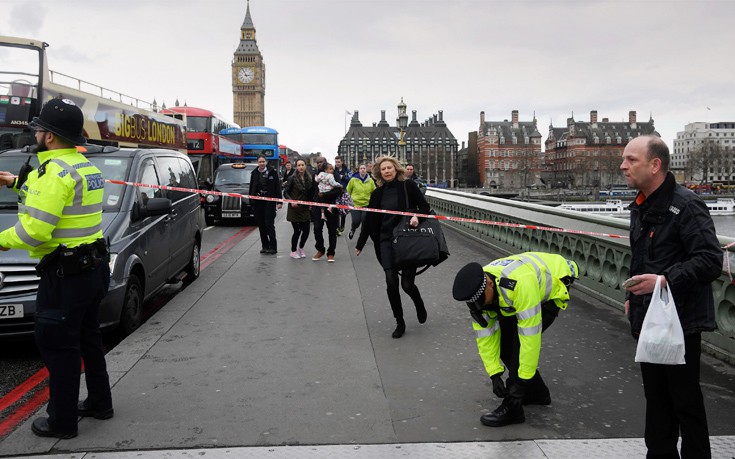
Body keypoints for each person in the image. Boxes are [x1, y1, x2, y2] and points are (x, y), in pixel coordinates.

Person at [0, 98, 112, 439]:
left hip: (65, 275)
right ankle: (99, 403)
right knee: (89, 338)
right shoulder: (84, 167)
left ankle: (62, 422)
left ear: (49, 136)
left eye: (38, 129)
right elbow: (60, 199)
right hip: (92, 268)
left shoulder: (52, 174)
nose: (34, 133)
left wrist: (1, 239)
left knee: (58, 345)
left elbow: (35, 230)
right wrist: (14, 183)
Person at [620, 135, 721, 458]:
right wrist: (634, 297)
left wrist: (663, 281)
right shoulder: (642, 204)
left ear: (655, 164)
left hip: (681, 322)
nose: (623, 166)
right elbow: (644, 258)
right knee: (657, 400)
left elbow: (709, 260)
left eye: (631, 160)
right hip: (649, 318)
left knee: (685, 402)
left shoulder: (687, 206)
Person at [451, 253, 579, 428]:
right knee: (505, 343)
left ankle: (514, 408)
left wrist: (518, 385)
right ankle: (538, 395)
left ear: (489, 284)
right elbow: (485, 336)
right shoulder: (479, 288)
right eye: (473, 303)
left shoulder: (519, 285)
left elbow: (529, 340)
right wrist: (494, 374)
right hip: (518, 290)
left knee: (519, 344)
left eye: (480, 300)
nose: (478, 306)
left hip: (554, 284)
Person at [354, 156, 429, 338]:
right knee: (390, 281)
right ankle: (400, 321)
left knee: (407, 284)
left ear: (396, 169)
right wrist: (360, 244)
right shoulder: (377, 194)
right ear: (379, 173)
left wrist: (417, 217)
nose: (387, 171)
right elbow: (370, 220)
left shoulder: (408, 186)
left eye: (389, 168)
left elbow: (425, 207)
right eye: (383, 169)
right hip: (385, 241)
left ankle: (418, 302)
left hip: (405, 239)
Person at [248, 154, 283, 254]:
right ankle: (265, 246)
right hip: (258, 202)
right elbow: (251, 188)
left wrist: (279, 201)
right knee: (261, 225)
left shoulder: (272, 172)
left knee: (269, 225)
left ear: (266, 162)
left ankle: (273, 247)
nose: (262, 163)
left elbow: (277, 188)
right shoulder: (254, 173)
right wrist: (251, 202)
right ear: (257, 162)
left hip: (269, 203)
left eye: (263, 161)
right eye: (260, 162)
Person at [283, 159, 312, 259]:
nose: (301, 167)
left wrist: (311, 202)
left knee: (307, 230)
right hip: (294, 208)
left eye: (302, 165)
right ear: (296, 166)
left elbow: (310, 192)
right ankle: (293, 251)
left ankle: (301, 248)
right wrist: (291, 201)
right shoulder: (292, 178)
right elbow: (285, 192)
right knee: (297, 231)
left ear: (305, 166)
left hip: (305, 208)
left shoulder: (309, 178)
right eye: (299, 165)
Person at [345, 164, 376, 239]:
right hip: (355, 204)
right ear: (359, 170)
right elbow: (347, 192)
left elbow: (374, 192)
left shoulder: (370, 181)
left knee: (365, 221)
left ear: (366, 170)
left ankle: (362, 237)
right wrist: (349, 203)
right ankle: (352, 229)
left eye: (364, 168)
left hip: (366, 204)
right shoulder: (353, 180)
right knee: (356, 221)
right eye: (361, 168)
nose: (362, 170)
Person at [334, 156, 352, 234]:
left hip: (344, 192)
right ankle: (337, 228)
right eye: (336, 162)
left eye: (338, 162)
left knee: (343, 211)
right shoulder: (333, 171)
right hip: (336, 193)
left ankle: (342, 225)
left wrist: (343, 177)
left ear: (342, 162)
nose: (337, 163)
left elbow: (351, 179)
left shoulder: (347, 170)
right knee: (337, 211)